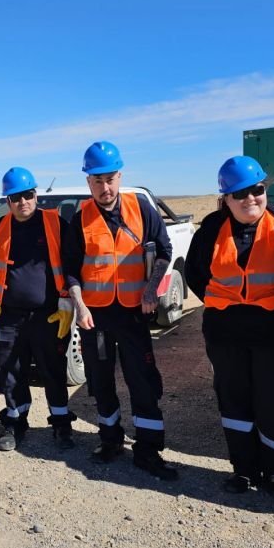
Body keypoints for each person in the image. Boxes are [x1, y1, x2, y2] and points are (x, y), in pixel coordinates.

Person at [185, 156, 274, 498]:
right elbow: (196, 275)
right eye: (239, 194)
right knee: (234, 400)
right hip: (225, 333)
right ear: (226, 199)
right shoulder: (211, 230)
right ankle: (243, 469)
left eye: (256, 190)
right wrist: (222, 303)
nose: (250, 199)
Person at [63, 141, 177, 479]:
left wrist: (151, 289)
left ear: (120, 176)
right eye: (97, 181)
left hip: (132, 315)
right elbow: (70, 269)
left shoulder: (141, 209)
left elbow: (164, 251)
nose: (105, 187)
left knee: (142, 380)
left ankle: (148, 449)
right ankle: (110, 440)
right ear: (88, 182)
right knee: (100, 381)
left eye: (110, 179)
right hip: (95, 318)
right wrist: (80, 307)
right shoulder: (79, 219)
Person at [0, 167, 77, 451]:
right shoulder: (0, 227)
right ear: (8, 201)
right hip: (10, 315)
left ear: (35, 195)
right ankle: (15, 422)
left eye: (27, 195)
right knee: (11, 371)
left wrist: (67, 300)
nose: (23, 202)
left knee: (53, 371)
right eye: (16, 197)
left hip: (48, 314)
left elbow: (71, 264)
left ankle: (61, 425)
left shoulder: (55, 223)